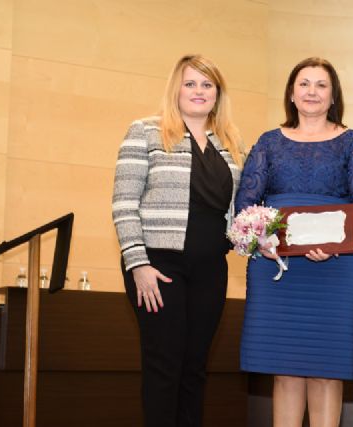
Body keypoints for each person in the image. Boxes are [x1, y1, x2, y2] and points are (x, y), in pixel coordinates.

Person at [235, 57, 353, 427]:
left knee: (326, 369)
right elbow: (245, 203)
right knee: (284, 370)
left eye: (321, 85)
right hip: (275, 267)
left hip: (336, 268)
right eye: (304, 84)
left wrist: (334, 244)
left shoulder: (352, 142)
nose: (312, 91)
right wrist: (261, 241)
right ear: (292, 95)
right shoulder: (268, 142)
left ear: (333, 97)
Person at [112, 54, 243, 427]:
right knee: (164, 365)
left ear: (217, 94)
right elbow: (124, 203)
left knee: (195, 367)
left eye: (207, 85)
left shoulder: (231, 143)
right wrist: (138, 264)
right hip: (159, 267)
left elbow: (238, 209)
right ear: (176, 88)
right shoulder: (145, 131)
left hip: (210, 270)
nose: (198, 92)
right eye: (190, 84)